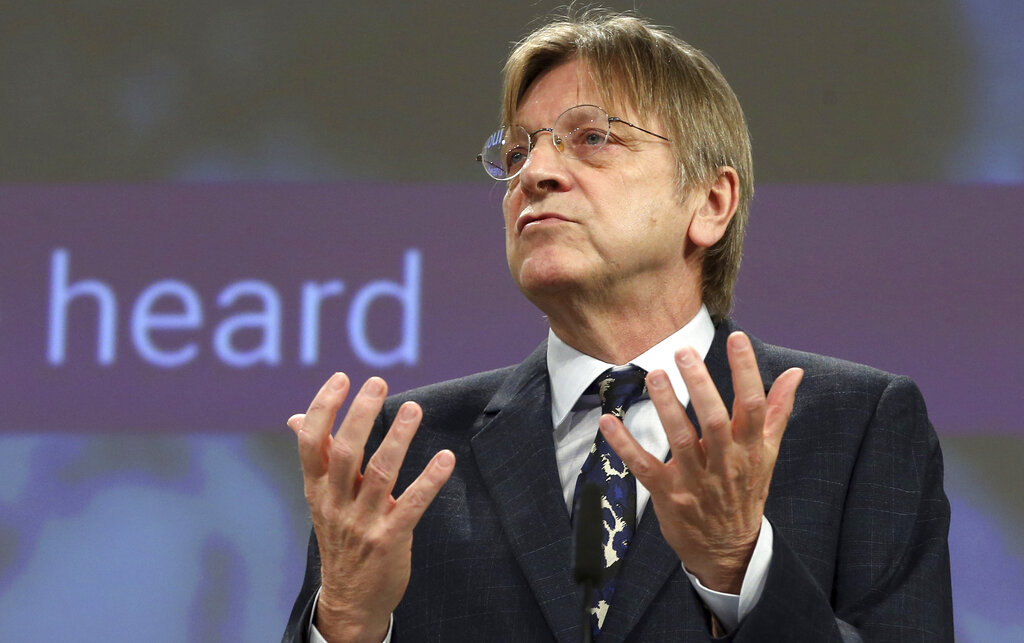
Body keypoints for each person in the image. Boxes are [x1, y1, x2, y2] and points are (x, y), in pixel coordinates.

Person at [283, 10, 952, 643]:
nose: (535, 174)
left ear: (710, 202)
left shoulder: (856, 425)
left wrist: (739, 567)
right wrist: (346, 621)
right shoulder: (403, 454)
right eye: (516, 154)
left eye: (592, 138)